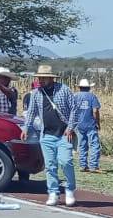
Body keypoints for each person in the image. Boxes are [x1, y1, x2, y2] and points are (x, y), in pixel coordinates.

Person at [21, 65, 79, 206]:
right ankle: (53, 192)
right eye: (39, 78)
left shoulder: (63, 90)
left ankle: (70, 189)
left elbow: (74, 109)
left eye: (44, 78)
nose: (40, 80)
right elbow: (31, 112)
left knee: (66, 162)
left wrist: (70, 127)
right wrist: (26, 128)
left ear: (51, 78)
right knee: (50, 165)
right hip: (46, 134)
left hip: (64, 134)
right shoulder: (36, 93)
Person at [73, 79, 102, 173]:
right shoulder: (92, 96)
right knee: (94, 145)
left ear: (80, 87)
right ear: (89, 87)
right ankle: (93, 165)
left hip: (79, 124)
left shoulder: (75, 96)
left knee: (82, 145)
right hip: (90, 124)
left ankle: (83, 165)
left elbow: (72, 110)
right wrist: (97, 122)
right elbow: (95, 111)